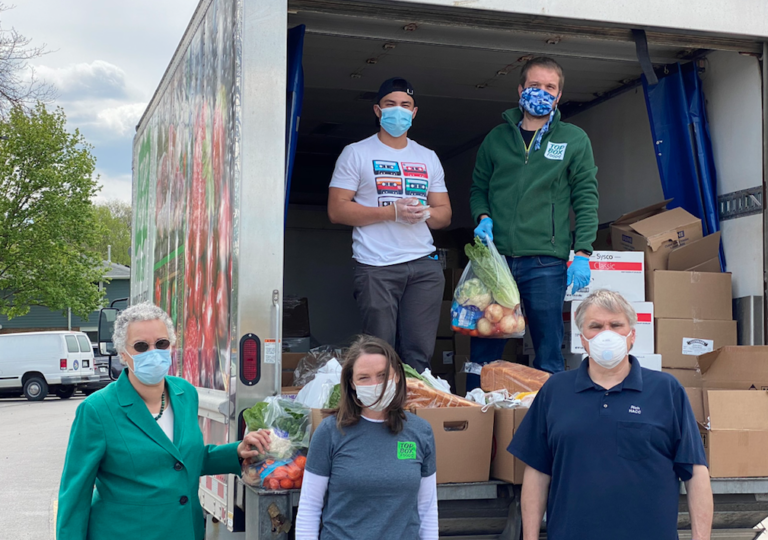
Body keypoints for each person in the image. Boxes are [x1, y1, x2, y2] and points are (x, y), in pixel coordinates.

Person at [508, 290, 713, 540]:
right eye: (595, 326)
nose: (606, 333)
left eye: (616, 325)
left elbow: (695, 471)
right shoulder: (555, 391)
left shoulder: (666, 390)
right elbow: (537, 472)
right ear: (582, 339)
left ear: (632, 336)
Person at [56, 303, 270, 540]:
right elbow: (75, 495)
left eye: (161, 344)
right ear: (122, 353)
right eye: (141, 346)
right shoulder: (97, 410)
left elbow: (185, 459)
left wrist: (238, 452)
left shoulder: (185, 394)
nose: (153, 352)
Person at [468, 56, 599, 384]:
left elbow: (586, 197)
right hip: (495, 261)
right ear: (520, 89)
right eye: (534, 86)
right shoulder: (496, 139)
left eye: (549, 87)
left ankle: (546, 424)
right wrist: (482, 216)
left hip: (545, 262)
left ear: (559, 95)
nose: (541, 92)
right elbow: (478, 188)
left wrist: (582, 252)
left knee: (548, 352)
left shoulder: (573, 139)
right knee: (484, 346)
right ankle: (479, 420)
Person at [327, 77, 452, 373]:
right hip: (376, 264)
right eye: (390, 104)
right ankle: (380, 413)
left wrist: (424, 213)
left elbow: (444, 214)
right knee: (379, 353)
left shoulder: (427, 157)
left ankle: (412, 415)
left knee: (419, 356)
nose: (399, 111)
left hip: (423, 265)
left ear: (415, 112)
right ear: (377, 110)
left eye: (405, 105)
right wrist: (391, 212)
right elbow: (337, 210)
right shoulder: (357, 153)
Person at [295, 335, 438, 540]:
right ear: (351, 383)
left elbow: (427, 509)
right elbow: (309, 508)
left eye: (382, 375)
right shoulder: (330, 432)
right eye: (364, 377)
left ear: (397, 375)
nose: (375, 384)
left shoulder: (420, 431)